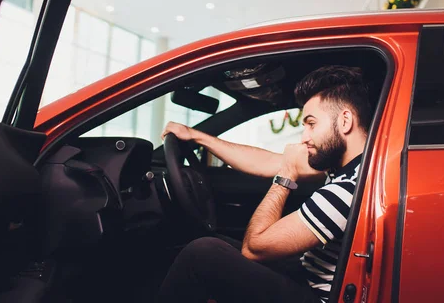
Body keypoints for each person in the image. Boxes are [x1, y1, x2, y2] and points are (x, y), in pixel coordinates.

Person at [158, 65, 372, 303]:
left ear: (345, 121)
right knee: (219, 246)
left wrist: (286, 175)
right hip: (307, 274)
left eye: (311, 124)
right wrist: (196, 136)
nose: (304, 137)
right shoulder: (349, 165)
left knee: (201, 254)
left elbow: (255, 247)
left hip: (318, 296)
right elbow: (268, 161)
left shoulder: (347, 191)